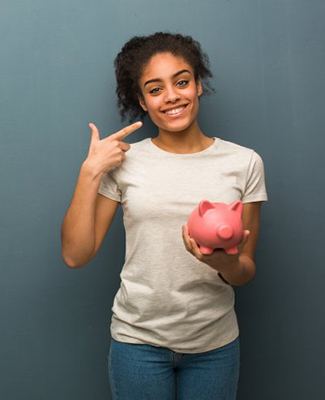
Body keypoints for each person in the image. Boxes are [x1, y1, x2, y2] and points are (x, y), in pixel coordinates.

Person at [61, 31, 268, 400]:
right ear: (141, 100)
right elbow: (76, 255)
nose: (172, 96)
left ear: (198, 85)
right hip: (137, 344)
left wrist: (225, 262)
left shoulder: (244, 163)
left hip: (214, 346)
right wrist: (89, 171)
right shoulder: (124, 162)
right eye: (155, 89)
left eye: (182, 82)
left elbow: (245, 272)